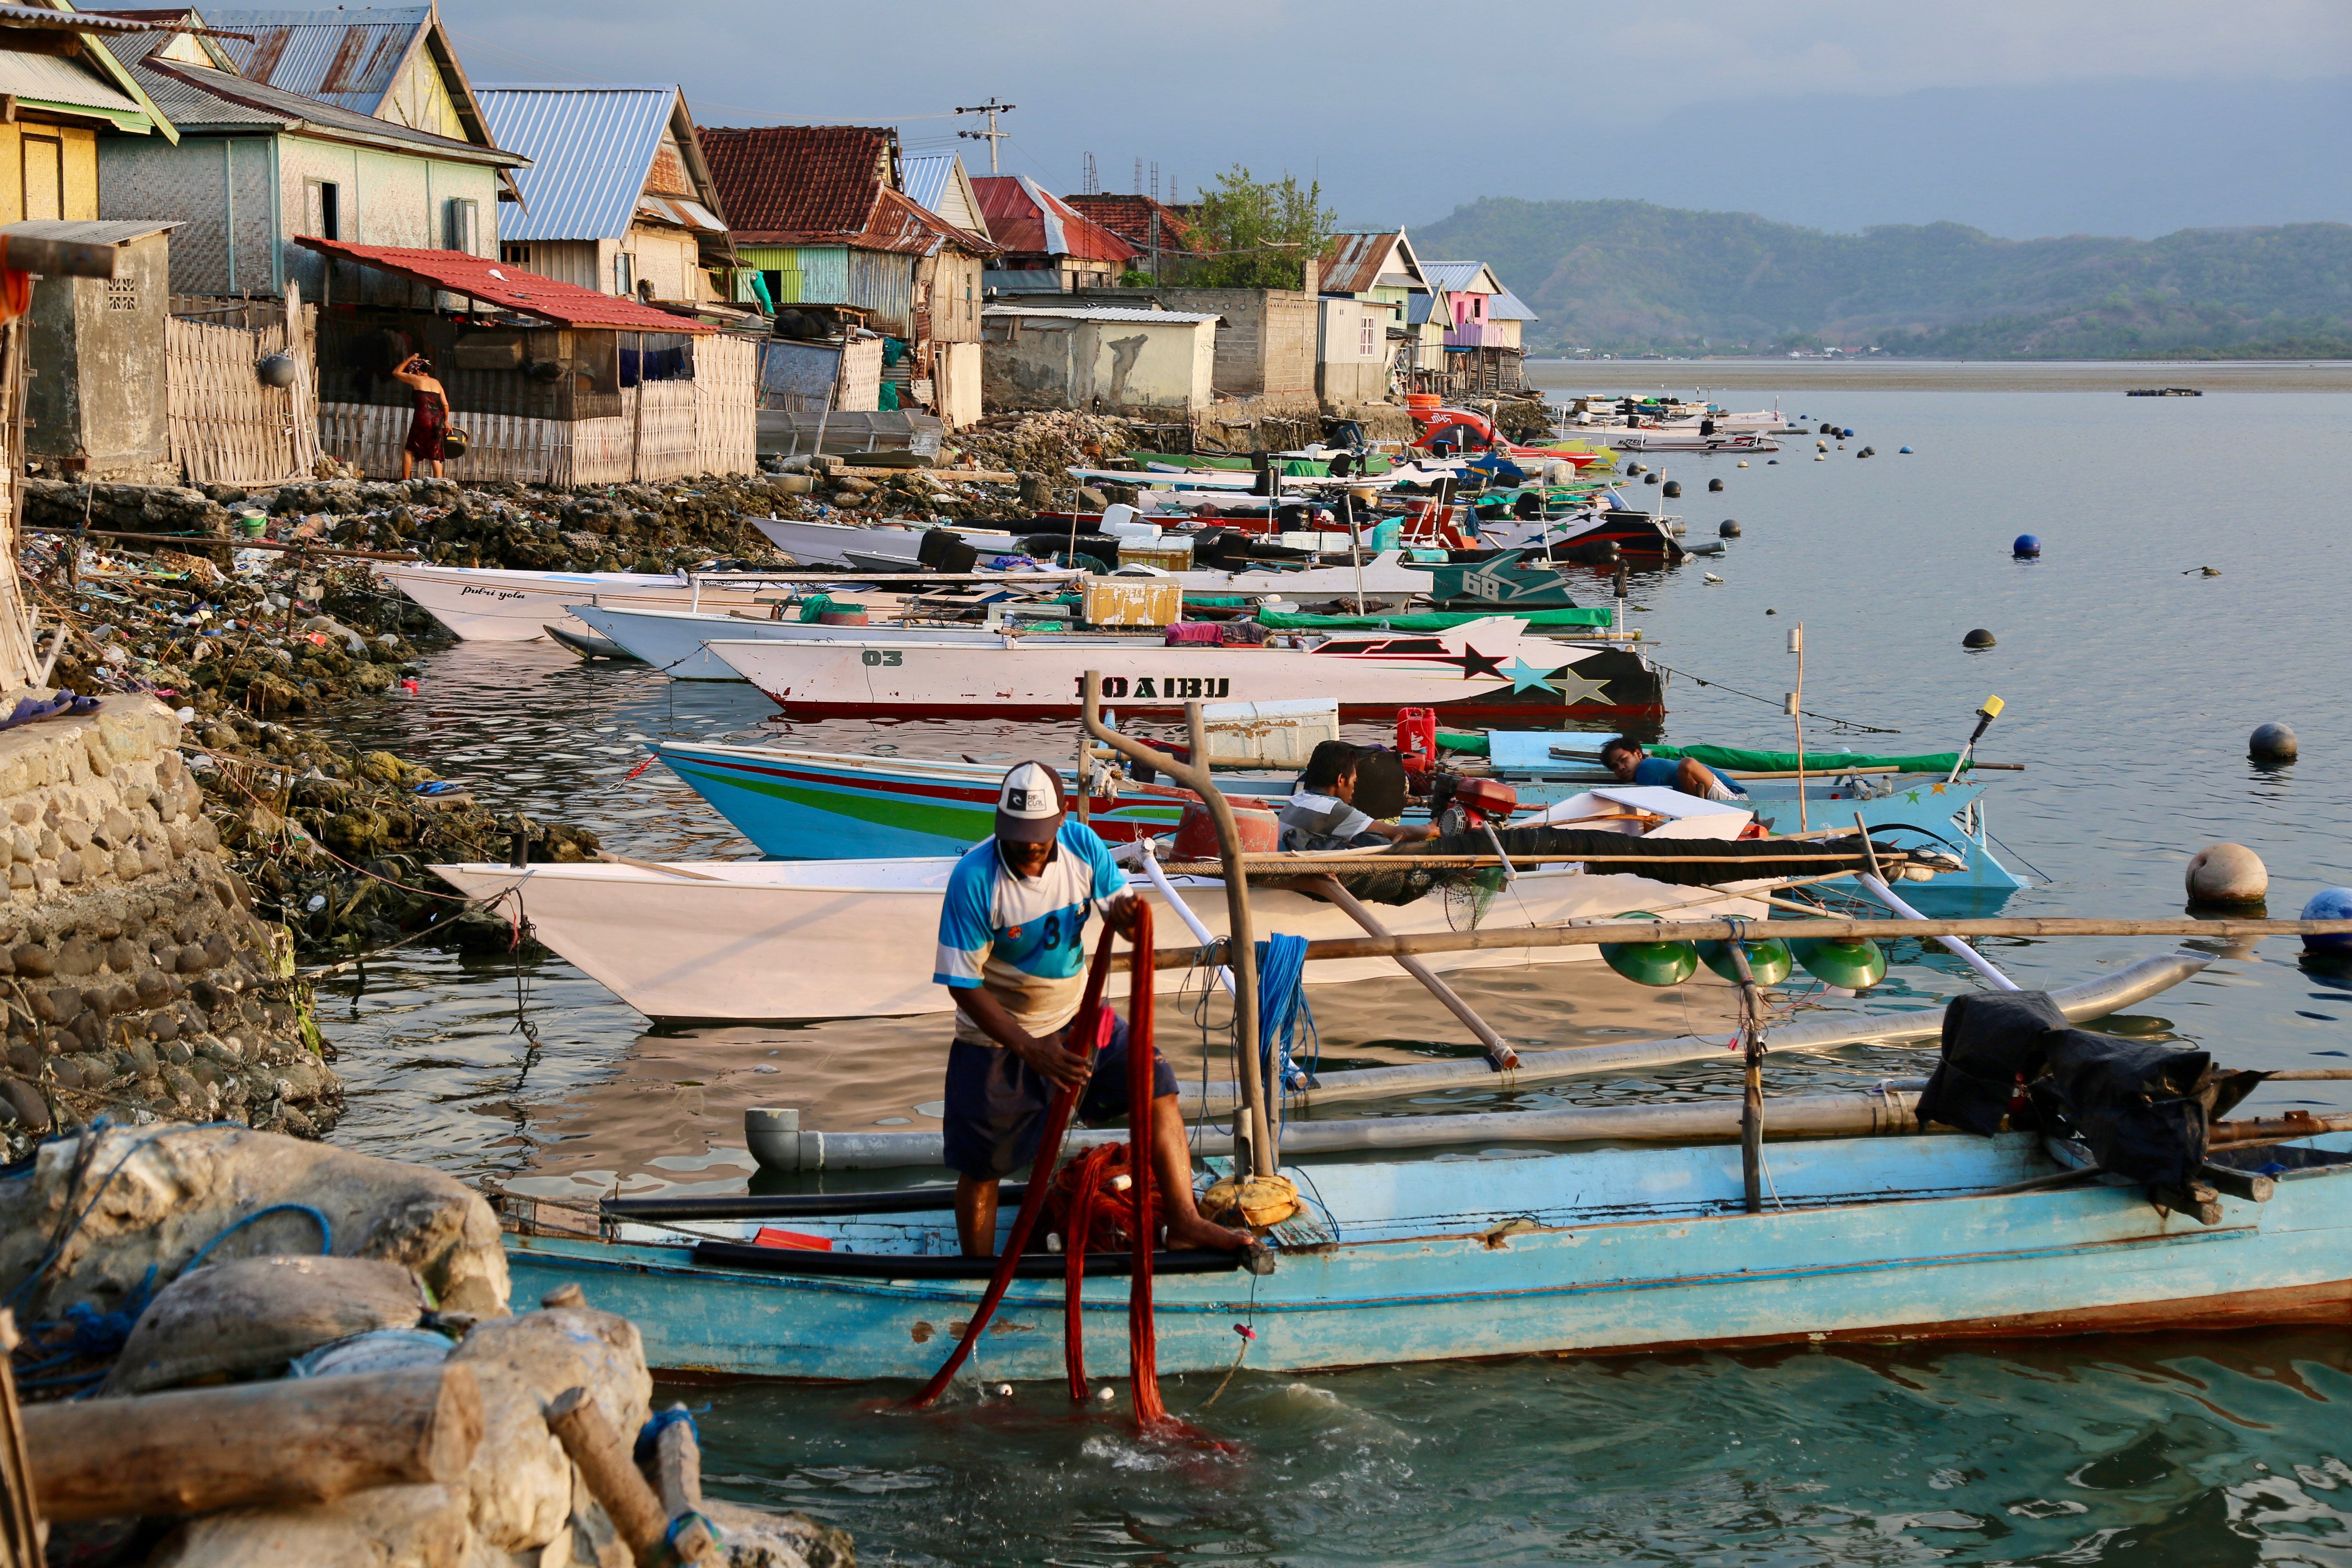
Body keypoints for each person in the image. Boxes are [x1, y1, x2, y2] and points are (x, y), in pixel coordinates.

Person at [934, 762, 1247, 1259]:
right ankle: (978, 1273)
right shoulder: (974, 878)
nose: (1028, 850)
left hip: (1079, 1017)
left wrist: (1129, 919)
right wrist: (1031, 1049)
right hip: (998, 1039)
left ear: (1061, 820)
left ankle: (1185, 1221)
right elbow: (963, 985)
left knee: (1158, 1084)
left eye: (1038, 839)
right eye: (1018, 838)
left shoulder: (1083, 846)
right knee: (983, 1167)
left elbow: (1127, 923)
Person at [1279, 740, 1439, 850]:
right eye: (1354, 782)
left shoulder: (1297, 800)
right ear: (1341, 780)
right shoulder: (1334, 810)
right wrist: (1431, 829)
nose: (1354, 789)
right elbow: (1399, 834)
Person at [1599, 735, 1746, 801]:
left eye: (1624, 760)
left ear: (1638, 754)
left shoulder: (1647, 769)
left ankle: (1696, 809)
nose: (1621, 768)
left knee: (1687, 764)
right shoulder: (1643, 773)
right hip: (1716, 796)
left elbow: (1648, 808)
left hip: (1735, 799)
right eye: (1615, 767)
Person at [392, 354, 448, 479]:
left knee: (410, 449)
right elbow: (445, 405)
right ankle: (439, 482)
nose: (413, 374)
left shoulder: (417, 379)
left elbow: (396, 372)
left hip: (423, 416)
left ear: (417, 370)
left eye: (413, 371)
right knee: (435, 451)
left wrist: (409, 359)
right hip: (437, 418)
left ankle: (405, 481)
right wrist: (447, 421)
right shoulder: (437, 383)